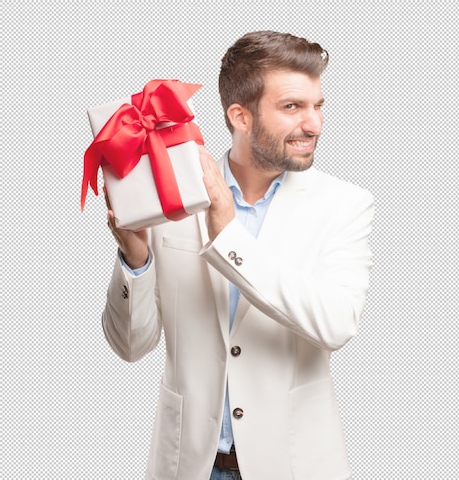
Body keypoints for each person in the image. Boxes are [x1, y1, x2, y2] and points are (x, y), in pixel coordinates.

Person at [102, 30, 374, 479]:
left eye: (317, 105)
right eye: (292, 107)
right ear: (240, 116)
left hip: (292, 466)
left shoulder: (344, 205)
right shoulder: (176, 199)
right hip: (188, 466)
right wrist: (136, 259)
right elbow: (131, 347)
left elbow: (336, 323)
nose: (314, 125)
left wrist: (227, 233)